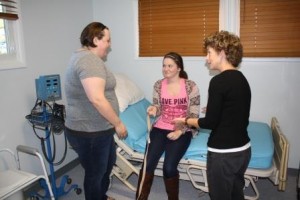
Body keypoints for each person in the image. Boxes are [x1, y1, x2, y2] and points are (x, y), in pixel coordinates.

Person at [173, 30, 252, 200]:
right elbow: (237, 110)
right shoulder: (241, 78)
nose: (206, 58)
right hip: (243, 150)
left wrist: (186, 120)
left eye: (209, 53)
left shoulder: (218, 81)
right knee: (235, 192)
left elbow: (210, 123)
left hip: (224, 154)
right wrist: (216, 109)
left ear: (222, 53)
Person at [64, 22, 127, 200]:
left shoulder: (84, 57)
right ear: (95, 40)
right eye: (107, 40)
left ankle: (102, 196)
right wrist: (118, 123)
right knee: (95, 174)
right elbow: (97, 99)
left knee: (105, 167)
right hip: (90, 131)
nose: (109, 45)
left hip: (98, 129)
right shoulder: (88, 60)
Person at [136, 52, 200, 200]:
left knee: (169, 167)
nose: (166, 69)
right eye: (164, 65)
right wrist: (154, 109)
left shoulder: (191, 86)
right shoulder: (159, 85)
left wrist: (181, 130)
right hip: (160, 128)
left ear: (178, 68)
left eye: (170, 66)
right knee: (148, 163)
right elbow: (158, 107)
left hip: (183, 129)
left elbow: (194, 116)